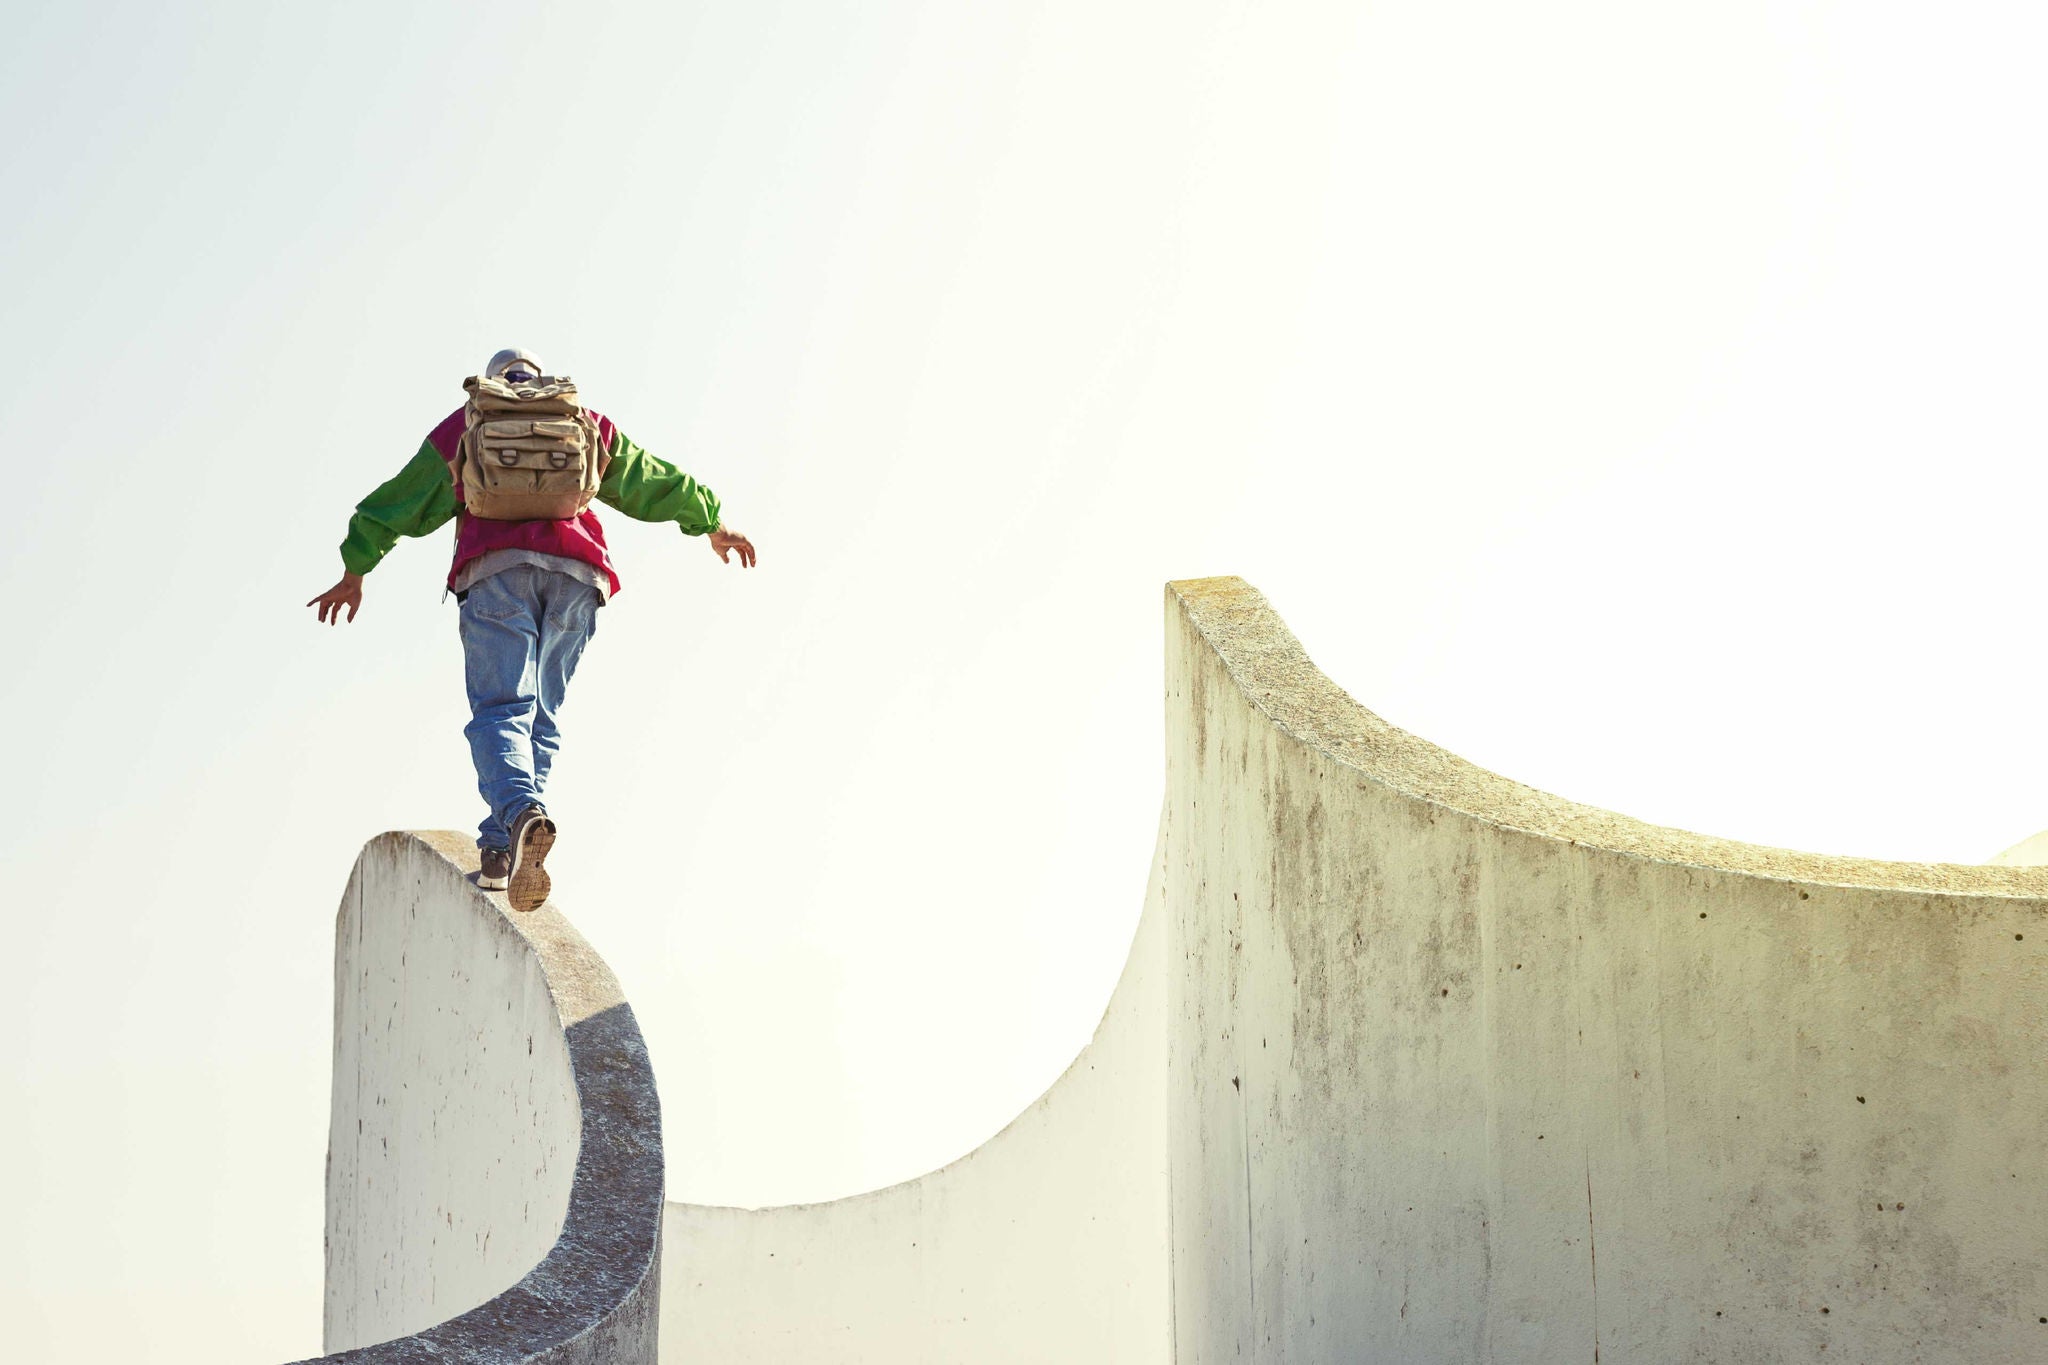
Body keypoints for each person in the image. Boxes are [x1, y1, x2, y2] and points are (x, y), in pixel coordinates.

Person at [307, 347, 756, 910]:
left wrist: (355, 568)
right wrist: (710, 523)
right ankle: (500, 851)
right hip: (578, 576)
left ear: (493, 383)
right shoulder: (581, 421)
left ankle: (519, 813)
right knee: (540, 714)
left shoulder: (468, 425)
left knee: (501, 710)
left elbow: (400, 501)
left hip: (496, 574)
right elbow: (650, 479)